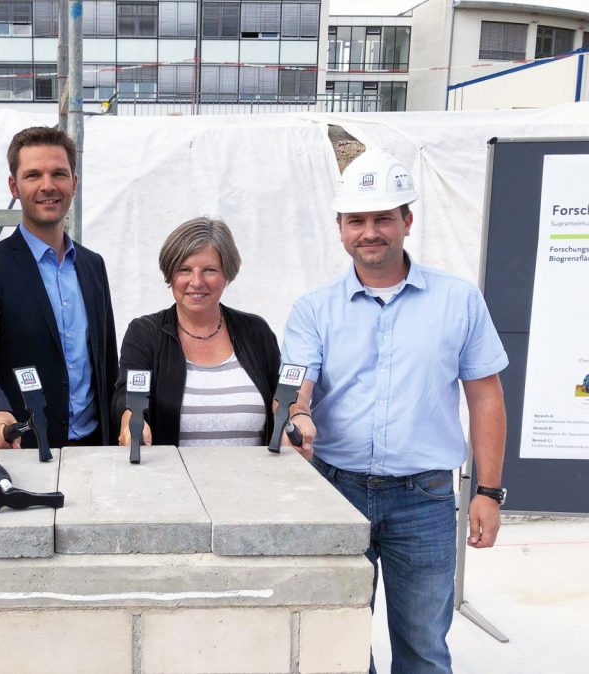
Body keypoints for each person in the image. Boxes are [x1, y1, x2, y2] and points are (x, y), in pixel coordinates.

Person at [282, 150, 508, 674]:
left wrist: (488, 492)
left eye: (383, 217)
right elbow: (298, 387)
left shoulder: (459, 301)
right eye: (357, 220)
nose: (370, 232)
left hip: (424, 500)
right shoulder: (314, 308)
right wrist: (299, 415)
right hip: (335, 492)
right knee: (337, 643)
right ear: (340, 229)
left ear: (407, 220)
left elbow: (486, 397)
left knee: (424, 649)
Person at [0, 126, 118, 449]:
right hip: (24, 448)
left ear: (74, 183)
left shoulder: (92, 265)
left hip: (95, 447)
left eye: (59, 173)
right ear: (14, 186)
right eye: (33, 175)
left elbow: (105, 360)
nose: (48, 186)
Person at [112, 217, 280, 447]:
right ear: (170, 275)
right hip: (172, 480)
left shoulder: (256, 332)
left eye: (209, 270)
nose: (197, 281)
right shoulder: (145, 333)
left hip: (253, 480)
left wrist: (296, 417)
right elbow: (128, 396)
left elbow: (281, 398)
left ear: (227, 274)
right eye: (184, 270)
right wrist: (132, 423)